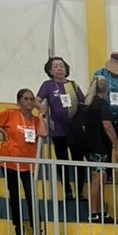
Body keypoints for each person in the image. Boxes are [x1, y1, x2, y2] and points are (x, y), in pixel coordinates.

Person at [0, 89, 48, 235]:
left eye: (32, 99)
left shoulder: (36, 120)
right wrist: (2, 132)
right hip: (10, 161)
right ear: (19, 101)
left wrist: (41, 114)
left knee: (31, 197)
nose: (29, 102)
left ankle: (38, 231)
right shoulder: (10, 113)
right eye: (26, 99)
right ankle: (18, 231)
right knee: (14, 196)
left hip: (29, 164)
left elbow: (44, 134)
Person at [71, 75, 118, 223]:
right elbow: (107, 126)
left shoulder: (88, 103)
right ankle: (94, 212)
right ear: (106, 88)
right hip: (99, 146)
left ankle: (100, 211)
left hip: (89, 145)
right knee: (98, 178)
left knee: (102, 177)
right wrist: (117, 147)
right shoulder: (102, 104)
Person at [36, 56, 84, 197]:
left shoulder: (73, 85)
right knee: (62, 159)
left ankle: (80, 191)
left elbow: (83, 102)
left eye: (61, 66)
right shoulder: (48, 85)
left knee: (78, 160)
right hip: (58, 129)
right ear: (50, 70)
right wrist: (42, 110)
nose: (59, 68)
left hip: (74, 129)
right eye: (56, 66)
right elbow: (37, 100)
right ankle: (67, 190)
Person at [92, 52, 118, 180]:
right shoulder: (99, 74)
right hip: (104, 115)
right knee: (106, 145)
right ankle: (108, 174)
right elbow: (93, 93)